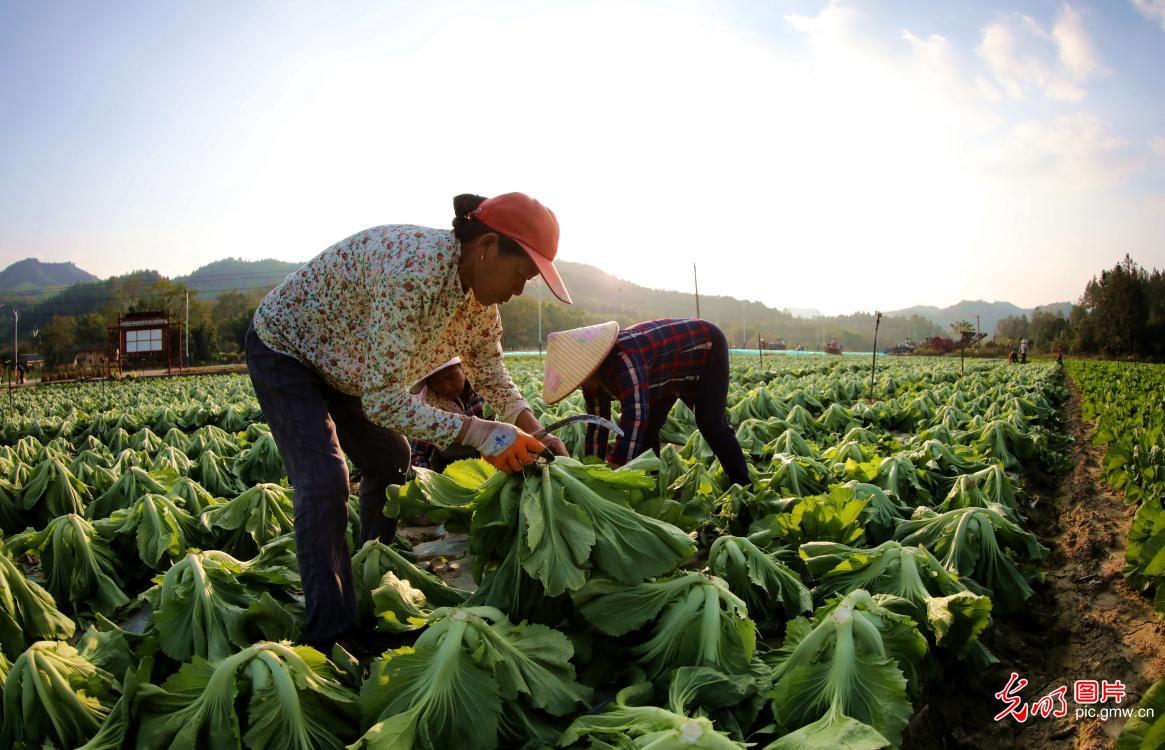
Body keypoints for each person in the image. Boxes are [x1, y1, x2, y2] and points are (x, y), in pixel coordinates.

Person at [245, 192, 571, 651]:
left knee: (391, 457)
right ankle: (332, 635)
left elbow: (492, 376)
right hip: (287, 350)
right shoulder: (413, 271)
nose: (519, 291)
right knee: (323, 480)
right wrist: (483, 434)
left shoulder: (480, 304)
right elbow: (383, 402)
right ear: (487, 247)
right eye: (522, 276)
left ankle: (369, 561)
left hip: (347, 369)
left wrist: (535, 431)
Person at [543, 319, 751, 487]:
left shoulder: (624, 358)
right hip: (663, 372)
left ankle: (743, 485)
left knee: (711, 424)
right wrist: (591, 469)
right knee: (649, 429)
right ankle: (650, 483)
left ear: (591, 366)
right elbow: (598, 425)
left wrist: (615, 470)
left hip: (704, 348)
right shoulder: (592, 384)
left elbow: (635, 417)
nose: (580, 385)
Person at [409, 357, 484, 472]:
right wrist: (430, 481)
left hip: (490, 461)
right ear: (430, 385)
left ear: (464, 369)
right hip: (449, 468)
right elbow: (417, 453)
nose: (447, 387)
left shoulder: (485, 393)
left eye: (452, 377)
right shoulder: (428, 408)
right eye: (437, 382)